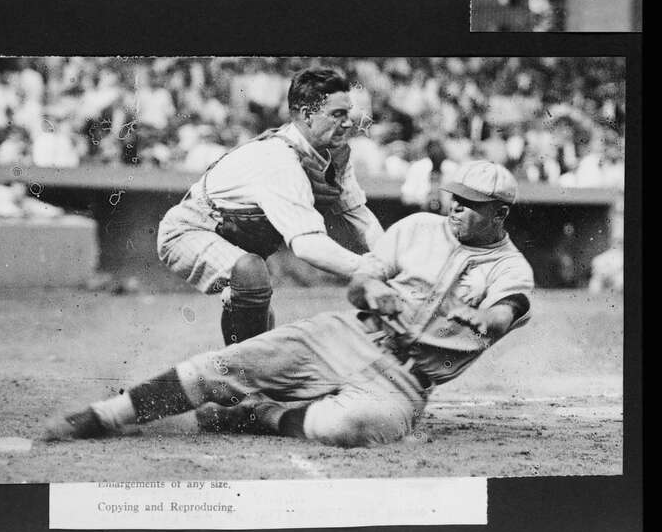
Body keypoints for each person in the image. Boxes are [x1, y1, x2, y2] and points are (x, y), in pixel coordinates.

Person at [44, 161, 534, 448]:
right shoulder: (416, 229)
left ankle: (263, 417)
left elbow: (504, 313)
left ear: (501, 214)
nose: (457, 207)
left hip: (407, 381)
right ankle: (107, 414)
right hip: (347, 336)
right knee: (225, 365)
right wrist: (370, 289)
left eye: (471, 204)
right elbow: (359, 285)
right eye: (456, 197)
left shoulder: (511, 268)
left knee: (353, 427)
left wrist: (484, 319)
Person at [156, 67, 383, 348]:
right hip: (190, 230)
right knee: (251, 276)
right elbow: (308, 246)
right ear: (306, 114)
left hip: (237, 242)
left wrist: (389, 260)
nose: (349, 123)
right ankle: (241, 377)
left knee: (262, 332)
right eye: (337, 114)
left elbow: (358, 215)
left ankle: (241, 371)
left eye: (347, 113)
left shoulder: (335, 155)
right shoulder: (277, 161)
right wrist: (368, 268)